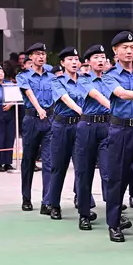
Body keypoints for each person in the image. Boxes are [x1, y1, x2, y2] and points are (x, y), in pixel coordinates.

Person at [102, 31, 133, 243]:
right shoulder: (110, 75)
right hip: (120, 131)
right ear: (115, 51)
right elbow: (120, 93)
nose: (130, 51)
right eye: (125, 48)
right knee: (116, 180)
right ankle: (114, 224)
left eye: (132, 47)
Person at [75, 45, 112, 230]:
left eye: (103, 57)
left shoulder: (111, 79)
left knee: (109, 171)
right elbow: (95, 95)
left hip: (107, 126)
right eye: (96, 57)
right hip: (87, 126)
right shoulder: (82, 79)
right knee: (85, 171)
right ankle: (84, 213)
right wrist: (114, 107)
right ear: (88, 62)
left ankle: (114, 213)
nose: (100, 60)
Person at [16, 43, 55, 212]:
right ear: (30, 57)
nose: (41, 57)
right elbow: (29, 93)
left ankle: (46, 201)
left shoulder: (51, 75)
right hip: (32, 119)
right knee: (28, 160)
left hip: (49, 120)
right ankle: (26, 197)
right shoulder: (24, 76)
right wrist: (39, 109)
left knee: (48, 161)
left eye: (43, 54)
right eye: (38, 54)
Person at [47, 47, 85, 220]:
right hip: (62, 127)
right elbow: (65, 99)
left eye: (76, 59)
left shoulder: (85, 81)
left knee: (82, 167)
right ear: (62, 63)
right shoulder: (57, 82)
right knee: (58, 167)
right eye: (70, 59)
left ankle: (83, 202)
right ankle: (53, 204)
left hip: (80, 126)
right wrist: (82, 111)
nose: (74, 62)